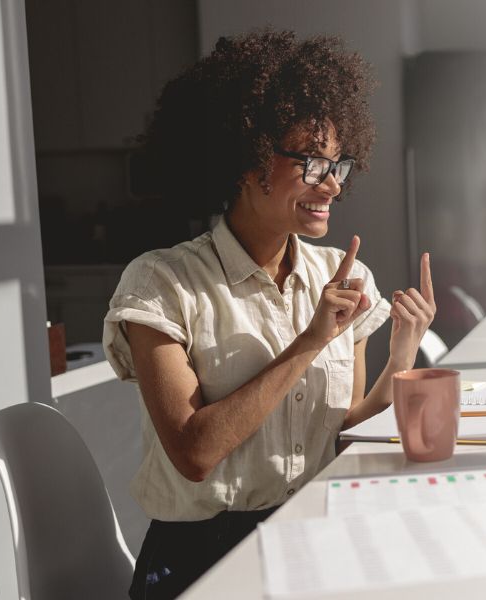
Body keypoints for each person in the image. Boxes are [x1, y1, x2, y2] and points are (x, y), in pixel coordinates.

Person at [104, 29, 438, 599]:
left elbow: (342, 440)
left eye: (338, 164)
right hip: (201, 562)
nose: (332, 183)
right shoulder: (161, 283)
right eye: (310, 162)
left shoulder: (343, 275)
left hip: (314, 538)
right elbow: (194, 453)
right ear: (243, 158)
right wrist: (309, 342)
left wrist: (402, 357)